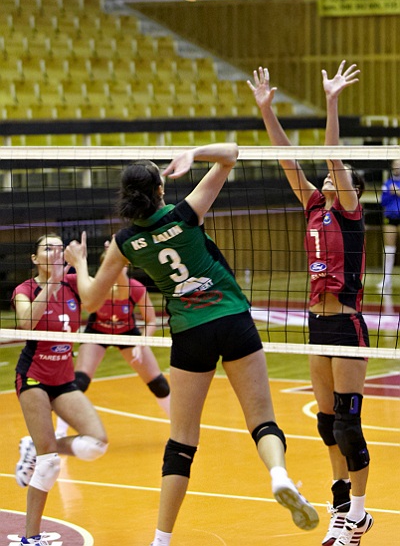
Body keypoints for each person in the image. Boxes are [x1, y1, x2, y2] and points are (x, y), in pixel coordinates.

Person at [64, 143, 319, 546]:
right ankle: (279, 475)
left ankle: (161, 540)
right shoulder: (186, 212)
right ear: (160, 190)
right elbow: (232, 153)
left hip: (189, 332)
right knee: (262, 420)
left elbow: (91, 301)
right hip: (233, 319)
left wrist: (79, 264)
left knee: (182, 441)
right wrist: (194, 154)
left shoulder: (125, 242)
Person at [248, 61, 373, 546]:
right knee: (326, 425)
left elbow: (332, 156)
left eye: (336, 176)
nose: (326, 177)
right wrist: (267, 110)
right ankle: (342, 507)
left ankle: (358, 516)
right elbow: (288, 161)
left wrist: (331, 102)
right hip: (316, 325)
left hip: (347, 326)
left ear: (352, 190)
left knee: (348, 424)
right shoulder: (314, 207)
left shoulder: (349, 212)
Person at [12, 234, 108, 546]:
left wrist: (82, 263)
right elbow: (26, 323)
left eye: (58, 247)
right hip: (34, 378)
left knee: (96, 444)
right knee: (49, 462)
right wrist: (52, 282)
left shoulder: (73, 283)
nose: (54, 252)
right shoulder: (25, 290)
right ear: (35, 258)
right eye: (47, 248)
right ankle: (30, 538)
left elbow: (93, 303)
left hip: (63, 379)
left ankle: (35, 446)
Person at [55, 246, 170, 438]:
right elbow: (77, 302)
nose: (118, 269)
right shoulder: (93, 287)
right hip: (98, 332)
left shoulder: (135, 289)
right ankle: (59, 432)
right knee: (79, 382)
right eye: (112, 265)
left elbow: (150, 321)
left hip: (127, 334)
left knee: (159, 384)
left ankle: (178, 429)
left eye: (121, 265)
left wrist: (141, 343)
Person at [377, 159, 400, 292]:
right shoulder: (387, 183)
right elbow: (383, 201)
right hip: (391, 217)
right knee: (389, 250)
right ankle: (386, 279)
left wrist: (398, 192)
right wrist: (391, 192)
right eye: (395, 165)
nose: (397, 167)